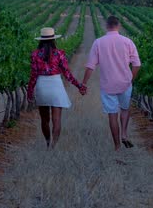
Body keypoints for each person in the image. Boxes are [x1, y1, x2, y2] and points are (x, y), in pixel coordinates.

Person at [82, 16, 141, 150]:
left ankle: (117, 146)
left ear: (106, 26)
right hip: (125, 83)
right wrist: (131, 79)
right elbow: (137, 64)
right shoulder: (128, 42)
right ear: (118, 26)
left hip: (108, 85)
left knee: (112, 115)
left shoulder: (98, 42)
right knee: (125, 109)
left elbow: (90, 66)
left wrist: (84, 83)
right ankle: (124, 134)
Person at [27, 27, 87, 148]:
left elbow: (33, 76)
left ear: (41, 40)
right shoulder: (59, 54)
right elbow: (67, 74)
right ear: (54, 39)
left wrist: (29, 93)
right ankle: (54, 146)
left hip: (41, 86)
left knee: (44, 120)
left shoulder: (34, 54)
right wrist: (79, 86)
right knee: (56, 120)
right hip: (55, 85)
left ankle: (48, 142)